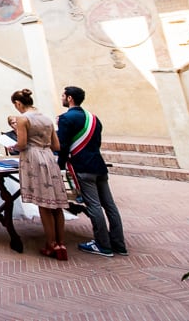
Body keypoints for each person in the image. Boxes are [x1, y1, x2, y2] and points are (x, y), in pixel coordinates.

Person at [57, 86, 127, 257]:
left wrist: (60, 165)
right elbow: (97, 142)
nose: (62, 98)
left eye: (63, 96)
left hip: (83, 167)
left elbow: (63, 145)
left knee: (94, 205)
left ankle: (103, 245)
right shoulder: (94, 119)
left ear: (70, 98)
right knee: (110, 206)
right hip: (99, 165)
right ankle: (119, 244)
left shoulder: (66, 119)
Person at [12, 88, 70, 260]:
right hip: (49, 158)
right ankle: (61, 243)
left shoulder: (23, 119)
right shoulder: (46, 118)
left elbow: (22, 144)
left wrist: (13, 146)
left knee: (44, 204)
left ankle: (51, 244)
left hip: (34, 158)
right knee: (57, 204)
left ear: (18, 103)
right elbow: (57, 146)